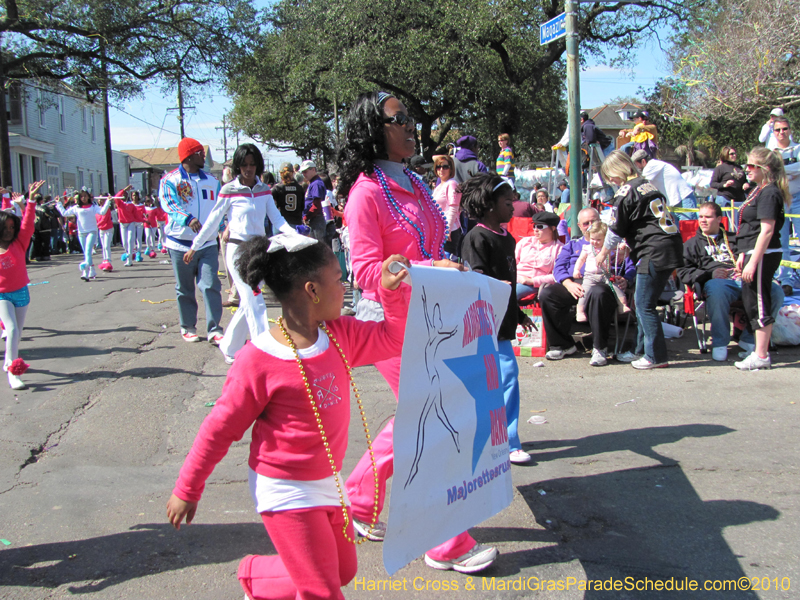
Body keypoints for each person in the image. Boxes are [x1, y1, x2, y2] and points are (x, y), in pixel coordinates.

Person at [167, 235, 410, 600]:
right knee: (322, 591)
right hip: (285, 489)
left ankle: (254, 576)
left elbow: (393, 339)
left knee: (343, 571)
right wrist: (187, 489)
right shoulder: (257, 360)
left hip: (328, 478)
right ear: (312, 290)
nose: (345, 285)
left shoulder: (338, 334)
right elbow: (218, 429)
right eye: (338, 278)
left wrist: (391, 294)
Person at [339, 91, 497, 573]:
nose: (411, 125)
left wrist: (451, 271)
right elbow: (365, 271)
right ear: (374, 129)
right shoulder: (366, 191)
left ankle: (356, 498)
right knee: (439, 424)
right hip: (394, 327)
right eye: (399, 119)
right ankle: (444, 541)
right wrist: (429, 268)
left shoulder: (413, 182)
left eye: (410, 117)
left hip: (435, 320)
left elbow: (434, 242)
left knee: (420, 421)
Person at [184, 143, 295, 364]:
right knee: (255, 299)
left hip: (260, 250)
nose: (248, 169)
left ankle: (230, 346)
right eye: (244, 164)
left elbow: (277, 220)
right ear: (238, 166)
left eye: (253, 164)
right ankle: (264, 353)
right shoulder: (228, 190)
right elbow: (213, 221)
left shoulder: (264, 190)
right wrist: (195, 245)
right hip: (237, 250)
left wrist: (297, 237)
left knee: (248, 303)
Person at [460, 173, 535, 466]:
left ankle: (501, 438)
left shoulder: (508, 238)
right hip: (482, 325)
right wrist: (496, 289)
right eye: (508, 201)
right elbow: (474, 280)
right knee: (498, 381)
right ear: (489, 205)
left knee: (503, 380)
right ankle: (504, 441)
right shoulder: (476, 237)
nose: (513, 206)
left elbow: (511, 285)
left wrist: (519, 313)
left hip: (502, 324)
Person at [597, 151, 684, 370]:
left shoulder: (626, 191)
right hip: (669, 245)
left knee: (645, 306)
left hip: (653, 250)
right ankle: (642, 351)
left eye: (610, 176)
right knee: (645, 301)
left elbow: (615, 229)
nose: (610, 182)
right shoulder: (649, 185)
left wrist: (602, 253)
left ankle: (655, 356)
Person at [677, 202, 784, 361]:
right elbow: (683, 271)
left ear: (719, 218)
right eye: (700, 217)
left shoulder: (735, 239)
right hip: (716, 282)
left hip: (744, 278)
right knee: (718, 289)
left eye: (708, 217)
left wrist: (746, 268)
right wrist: (710, 274)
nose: (703, 220)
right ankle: (720, 342)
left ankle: (749, 338)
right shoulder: (691, 244)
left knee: (776, 292)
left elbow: (753, 254)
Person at [541, 207, 635, 367]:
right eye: (586, 223)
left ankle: (600, 348)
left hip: (603, 284)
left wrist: (627, 279)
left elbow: (630, 266)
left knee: (598, 293)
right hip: (575, 284)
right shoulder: (573, 244)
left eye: (594, 221)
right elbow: (559, 267)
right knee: (548, 294)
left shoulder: (614, 245)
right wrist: (568, 283)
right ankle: (562, 345)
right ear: (579, 225)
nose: (590, 225)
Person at [159, 137, 224, 344]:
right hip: (180, 243)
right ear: (188, 155)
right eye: (200, 153)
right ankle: (188, 326)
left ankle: (214, 329)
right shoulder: (171, 180)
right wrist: (188, 219)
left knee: (211, 284)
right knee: (185, 288)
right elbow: (169, 204)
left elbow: (219, 208)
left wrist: (223, 227)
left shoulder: (212, 181)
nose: (204, 156)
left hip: (207, 243)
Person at [732, 147, 788, 370]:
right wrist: (742, 254)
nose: (747, 169)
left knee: (759, 302)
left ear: (764, 168)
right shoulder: (758, 190)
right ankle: (758, 349)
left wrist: (753, 261)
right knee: (750, 301)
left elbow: (766, 230)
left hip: (763, 254)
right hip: (751, 252)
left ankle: (762, 354)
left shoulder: (770, 193)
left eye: (752, 165)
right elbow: (750, 227)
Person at [0, 181, 44, 389]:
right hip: (2, 296)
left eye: (12, 227)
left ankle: (11, 358)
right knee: (11, 329)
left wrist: (31, 200)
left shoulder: (20, 242)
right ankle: (12, 370)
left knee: (17, 333)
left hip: (22, 294)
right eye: (5, 227)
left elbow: (27, 223)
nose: (9, 231)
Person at [573, 222, 630, 322]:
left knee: (616, 288)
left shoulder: (608, 248)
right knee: (584, 293)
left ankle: (623, 305)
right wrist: (577, 269)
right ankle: (580, 311)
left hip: (606, 274)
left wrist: (622, 248)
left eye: (598, 240)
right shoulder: (587, 248)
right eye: (592, 239)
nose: (595, 242)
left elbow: (622, 250)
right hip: (590, 275)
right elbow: (581, 260)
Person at [56, 187, 114, 281]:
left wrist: (108, 201)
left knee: (87, 251)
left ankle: (85, 272)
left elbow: (102, 212)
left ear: (88, 197)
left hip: (92, 232)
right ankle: (92, 269)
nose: (83, 198)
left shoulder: (93, 207)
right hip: (81, 233)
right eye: (81, 196)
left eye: (85, 196)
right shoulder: (76, 207)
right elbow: (64, 213)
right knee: (86, 254)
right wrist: (58, 203)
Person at [770, 117, 800, 295]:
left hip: (798, 198)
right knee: (782, 242)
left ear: (790, 130)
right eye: (778, 129)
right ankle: (785, 280)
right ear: (773, 132)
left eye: (785, 129)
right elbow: (769, 171)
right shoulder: (771, 152)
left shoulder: (798, 148)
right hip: (780, 199)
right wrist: (792, 171)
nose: (782, 132)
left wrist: (781, 169)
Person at [632, 149, 698, 220]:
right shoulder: (655, 166)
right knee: (675, 230)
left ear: (643, 161)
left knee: (687, 229)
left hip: (683, 199)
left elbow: (640, 182)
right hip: (673, 202)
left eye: (636, 165)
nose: (636, 167)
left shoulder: (651, 165)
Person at [515, 211, 563, 299]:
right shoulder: (525, 242)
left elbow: (558, 275)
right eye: (534, 226)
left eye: (540, 226)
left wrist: (532, 281)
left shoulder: (559, 249)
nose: (535, 230)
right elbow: (512, 263)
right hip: (515, 278)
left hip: (534, 284)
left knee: (510, 294)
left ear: (552, 228)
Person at [432, 154, 462, 256]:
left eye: (445, 167)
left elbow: (453, 209)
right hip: (439, 230)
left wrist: (447, 230)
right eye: (438, 167)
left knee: (449, 261)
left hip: (450, 231)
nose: (441, 170)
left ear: (451, 168)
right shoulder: (439, 186)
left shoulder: (452, 184)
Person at [299, 161, 328, 244]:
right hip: (313, 219)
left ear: (313, 170)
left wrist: (306, 217)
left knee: (317, 247)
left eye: (306, 171)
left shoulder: (316, 184)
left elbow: (317, 205)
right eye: (303, 172)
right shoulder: (313, 183)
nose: (304, 174)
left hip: (316, 219)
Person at [271, 162, 305, 231]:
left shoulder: (277, 188)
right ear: (293, 172)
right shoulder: (299, 188)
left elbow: (271, 207)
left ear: (281, 173)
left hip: (281, 224)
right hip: (296, 223)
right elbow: (302, 207)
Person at [95, 193, 115, 271]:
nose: (100, 201)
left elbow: (104, 219)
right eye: (99, 199)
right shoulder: (97, 209)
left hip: (108, 229)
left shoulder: (107, 208)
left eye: (102, 199)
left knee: (106, 246)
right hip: (101, 230)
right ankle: (104, 261)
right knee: (103, 247)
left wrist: (96, 225)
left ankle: (108, 261)